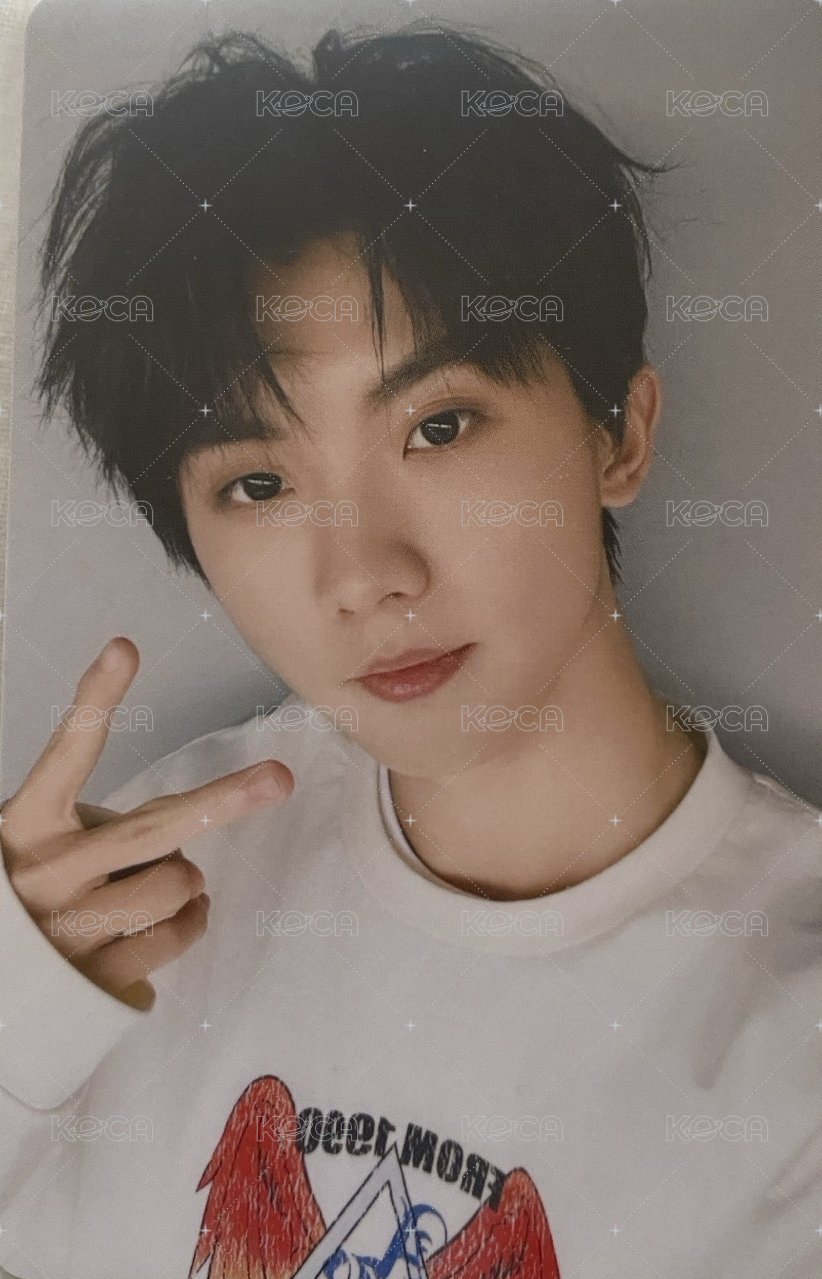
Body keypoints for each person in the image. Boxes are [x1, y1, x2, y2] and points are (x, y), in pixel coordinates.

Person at [0, 22, 819, 1279]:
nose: (365, 574)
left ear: (619, 433)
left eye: (439, 426)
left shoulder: (786, 1033)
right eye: (259, 483)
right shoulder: (136, 893)